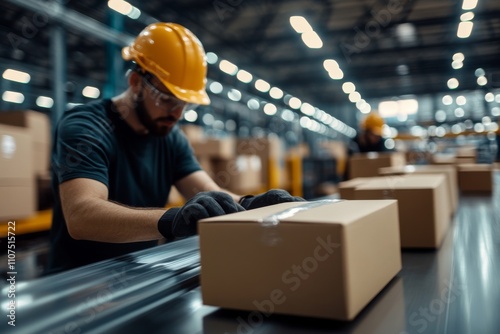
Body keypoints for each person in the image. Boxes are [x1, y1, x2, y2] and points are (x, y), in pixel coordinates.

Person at [46, 22, 303, 274]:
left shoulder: (171, 138)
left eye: (185, 105)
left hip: (137, 271)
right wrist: (172, 220)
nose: (177, 114)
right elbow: (81, 216)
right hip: (77, 282)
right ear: (136, 82)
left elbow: (212, 195)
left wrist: (252, 203)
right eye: (167, 100)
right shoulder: (86, 127)